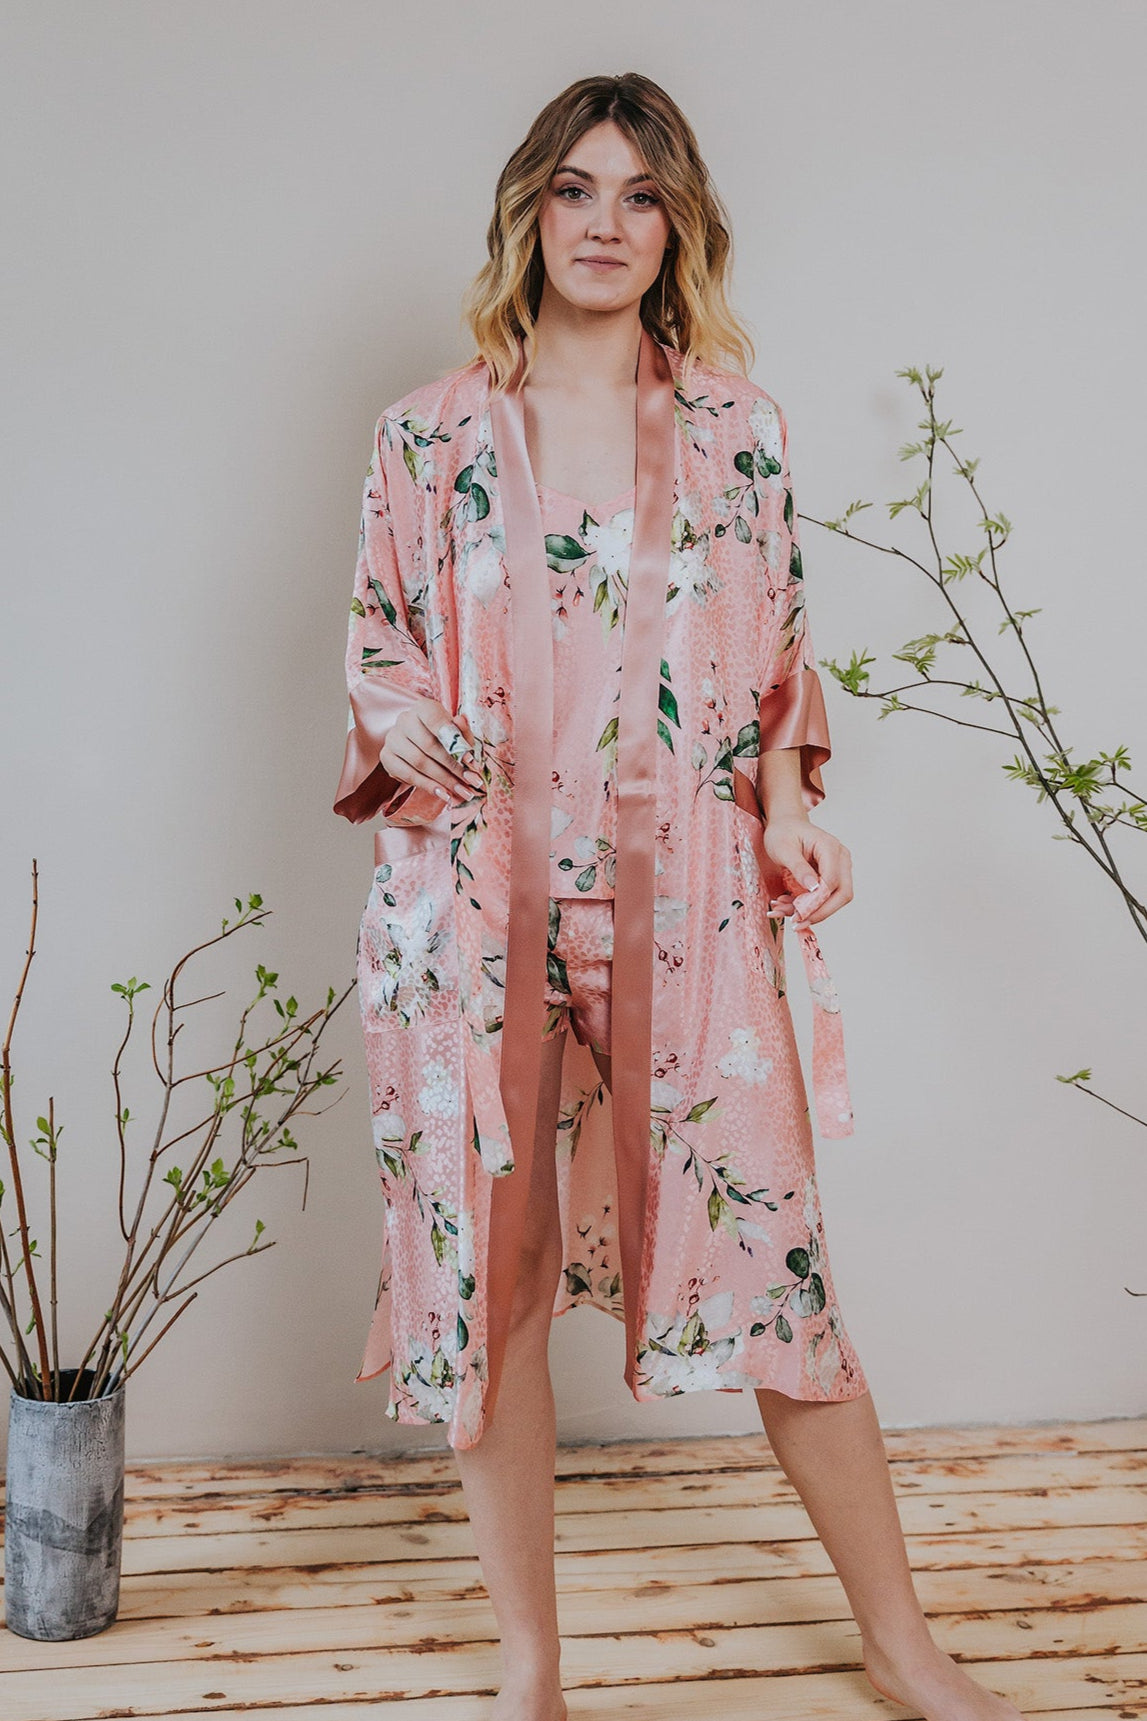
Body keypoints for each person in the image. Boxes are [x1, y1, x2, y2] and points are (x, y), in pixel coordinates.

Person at [334, 72, 1026, 1721]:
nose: (603, 224)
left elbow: (780, 661)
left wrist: (793, 813)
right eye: (576, 190)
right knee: (494, 1285)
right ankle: (532, 1669)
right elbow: (374, 648)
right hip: (475, 910)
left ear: (677, 229)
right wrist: (409, 727)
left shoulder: (736, 427)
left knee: (777, 1262)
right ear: (530, 210)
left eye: (640, 197)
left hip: (695, 904)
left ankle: (903, 1644)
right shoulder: (428, 434)